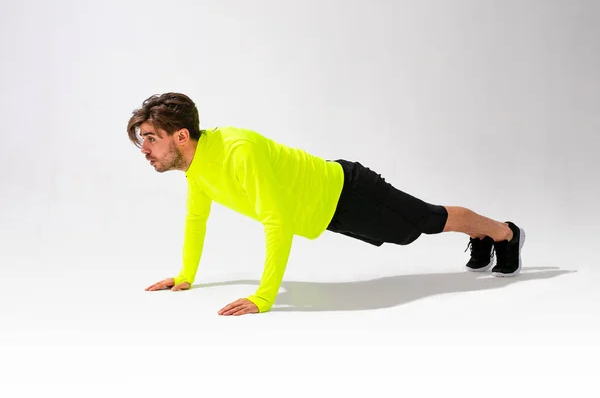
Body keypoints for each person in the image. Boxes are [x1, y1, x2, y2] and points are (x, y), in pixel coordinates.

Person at [127, 92, 525, 316]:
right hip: (329, 212)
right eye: (141, 140)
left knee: (424, 221)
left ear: (181, 136)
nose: (144, 149)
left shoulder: (237, 150)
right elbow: (197, 217)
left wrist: (264, 296)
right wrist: (185, 275)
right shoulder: (197, 168)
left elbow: (276, 219)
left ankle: (504, 233)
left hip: (350, 191)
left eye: (150, 138)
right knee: (408, 233)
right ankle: (488, 238)